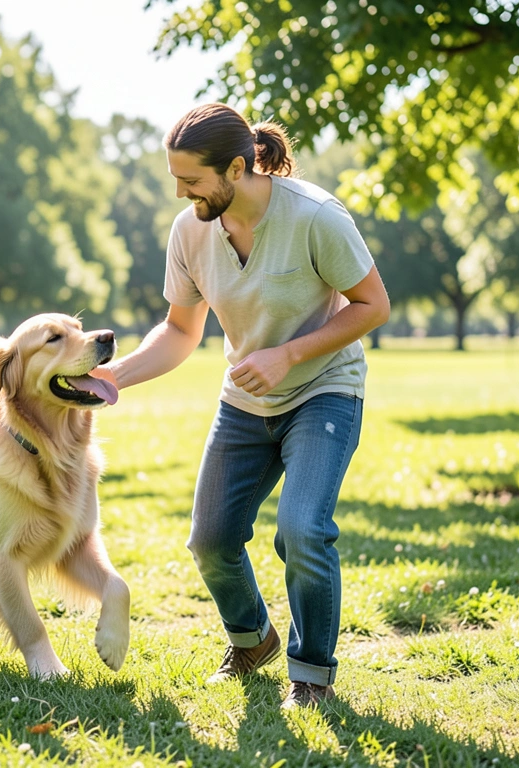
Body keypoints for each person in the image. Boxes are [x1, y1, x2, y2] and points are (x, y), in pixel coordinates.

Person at [92, 103, 390, 709]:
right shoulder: (191, 230)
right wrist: (114, 377)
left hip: (324, 389)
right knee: (211, 539)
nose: (182, 193)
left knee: (303, 529)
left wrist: (288, 355)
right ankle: (252, 639)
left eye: (193, 181)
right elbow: (180, 330)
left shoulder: (315, 217)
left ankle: (311, 676)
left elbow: (373, 306)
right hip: (245, 401)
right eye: (176, 180)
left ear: (237, 166)